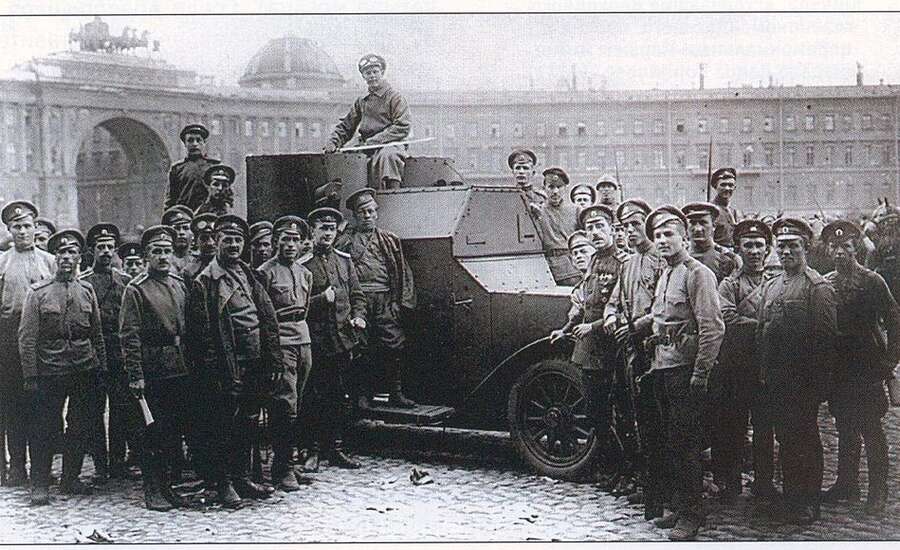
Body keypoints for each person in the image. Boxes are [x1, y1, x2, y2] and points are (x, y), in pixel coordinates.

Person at [187, 214, 282, 508]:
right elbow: (202, 335)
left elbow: (266, 316)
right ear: (215, 241)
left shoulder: (248, 273)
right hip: (227, 364)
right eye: (227, 239)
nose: (233, 245)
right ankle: (224, 482)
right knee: (222, 425)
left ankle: (241, 477)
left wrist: (273, 358)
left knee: (248, 422)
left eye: (238, 240)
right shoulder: (205, 282)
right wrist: (215, 371)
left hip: (254, 361)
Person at [643, 205, 725, 540]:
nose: (662, 241)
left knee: (687, 444)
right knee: (671, 442)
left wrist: (701, 373)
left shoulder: (697, 274)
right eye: (657, 236)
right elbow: (661, 319)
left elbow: (712, 327)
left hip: (686, 370)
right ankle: (680, 505)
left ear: (683, 237)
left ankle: (692, 514)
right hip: (663, 365)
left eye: (668, 234)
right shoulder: (665, 273)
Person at [757, 217, 837, 524]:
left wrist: (819, 386)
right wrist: (763, 374)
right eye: (781, 246)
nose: (786, 252)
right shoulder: (773, 285)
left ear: (805, 247)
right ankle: (791, 498)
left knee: (805, 439)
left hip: (803, 382)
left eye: (793, 245)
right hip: (775, 379)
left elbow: (825, 341)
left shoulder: (818, 288)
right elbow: (763, 332)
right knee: (786, 440)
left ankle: (808, 501)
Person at [19, 229, 107, 505]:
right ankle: (40, 484)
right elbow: (27, 337)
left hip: (83, 368)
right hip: (50, 370)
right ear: (54, 257)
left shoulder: (87, 290)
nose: (66, 257)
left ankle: (71, 478)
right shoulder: (38, 293)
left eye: (72, 252)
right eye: (61, 252)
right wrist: (31, 375)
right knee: (44, 428)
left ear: (80, 257)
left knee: (79, 426)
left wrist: (100, 368)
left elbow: (97, 334)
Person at [820, 220, 898, 514]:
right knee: (844, 426)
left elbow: (893, 319)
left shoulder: (872, 281)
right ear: (828, 250)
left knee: (871, 429)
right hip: (839, 367)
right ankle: (846, 484)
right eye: (834, 247)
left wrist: (891, 360)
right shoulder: (826, 283)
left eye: (846, 247)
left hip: (867, 366)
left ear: (855, 248)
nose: (840, 252)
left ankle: (878, 490)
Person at [119, 225, 192, 511]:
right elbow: (129, 336)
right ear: (147, 255)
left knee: (172, 431)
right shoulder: (136, 289)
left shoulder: (178, 283)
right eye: (157, 251)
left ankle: (168, 488)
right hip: (153, 369)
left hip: (179, 366)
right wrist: (135, 375)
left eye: (167, 251)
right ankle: (153, 490)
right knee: (152, 432)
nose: (163, 257)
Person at [602, 198, 667, 519]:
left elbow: (663, 306)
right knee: (635, 419)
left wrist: (635, 327)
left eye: (635, 224)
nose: (629, 231)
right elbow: (614, 301)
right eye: (624, 226)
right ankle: (646, 486)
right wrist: (612, 318)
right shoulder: (627, 264)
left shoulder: (661, 261)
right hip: (630, 352)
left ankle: (662, 492)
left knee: (657, 423)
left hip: (655, 351)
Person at [335, 188, 417, 409]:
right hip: (358, 302)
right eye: (363, 212)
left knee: (393, 345)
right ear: (355, 215)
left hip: (385, 300)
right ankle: (362, 395)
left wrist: (401, 303)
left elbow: (404, 273)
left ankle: (396, 393)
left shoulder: (389, 240)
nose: (368, 215)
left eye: (372, 211)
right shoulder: (345, 242)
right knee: (360, 348)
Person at [712, 219, 774, 502]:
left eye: (759, 245)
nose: (753, 250)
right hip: (737, 365)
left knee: (764, 426)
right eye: (747, 245)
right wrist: (765, 324)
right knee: (732, 426)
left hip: (767, 366)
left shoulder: (776, 281)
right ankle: (731, 482)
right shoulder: (729, 285)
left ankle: (764, 482)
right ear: (738, 249)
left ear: (768, 249)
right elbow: (726, 317)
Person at [302, 207, 367, 471]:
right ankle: (312, 450)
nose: (327, 233)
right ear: (313, 231)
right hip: (317, 342)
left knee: (339, 396)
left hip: (342, 340)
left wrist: (359, 316)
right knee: (314, 397)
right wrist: (321, 300)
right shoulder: (302, 265)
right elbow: (297, 305)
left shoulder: (344, 260)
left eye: (331, 229)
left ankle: (335, 447)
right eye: (322, 228)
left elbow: (357, 295)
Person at [568, 205, 624, 487]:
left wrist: (594, 326)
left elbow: (621, 308)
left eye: (600, 226)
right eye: (590, 228)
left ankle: (620, 471)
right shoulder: (592, 263)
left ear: (612, 229)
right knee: (595, 411)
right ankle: (608, 467)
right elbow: (586, 299)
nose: (595, 232)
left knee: (615, 413)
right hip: (589, 348)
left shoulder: (621, 262)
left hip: (610, 347)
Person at [0, 200, 55, 487]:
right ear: (9, 230)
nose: (22, 231)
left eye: (27, 226)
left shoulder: (49, 261)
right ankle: (17, 467)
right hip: (9, 342)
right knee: (14, 407)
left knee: (42, 407)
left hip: (43, 342)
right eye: (16, 227)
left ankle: (41, 469)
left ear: (35, 227)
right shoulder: (2, 262)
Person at [257, 216, 314, 492]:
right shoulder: (265, 273)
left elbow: (306, 310)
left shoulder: (305, 274)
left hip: (303, 340)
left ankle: (290, 462)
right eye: (285, 239)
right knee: (284, 407)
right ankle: (282, 469)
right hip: (281, 341)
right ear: (276, 241)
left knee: (298, 404)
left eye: (295, 240)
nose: (290, 245)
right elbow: (263, 315)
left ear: (303, 243)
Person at [78, 223, 129, 483]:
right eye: (101, 247)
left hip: (119, 354)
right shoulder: (82, 282)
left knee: (120, 409)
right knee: (94, 410)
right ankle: (100, 463)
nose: (106, 252)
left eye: (110, 247)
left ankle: (118, 460)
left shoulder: (126, 282)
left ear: (116, 250)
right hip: (95, 353)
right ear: (92, 251)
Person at [323, 54, 411, 189]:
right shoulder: (362, 101)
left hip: (392, 143)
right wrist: (333, 141)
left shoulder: (395, 97)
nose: (372, 76)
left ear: (382, 72)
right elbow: (346, 125)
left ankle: (392, 194)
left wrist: (373, 142)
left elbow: (402, 126)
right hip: (365, 145)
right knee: (345, 158)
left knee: (388, 157)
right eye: (368, 73)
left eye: (375, 72)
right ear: (363, 76)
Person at [530, 167, 581, 286]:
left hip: (571, 269)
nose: (555, 191)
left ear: (565, 189)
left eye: (559, 187)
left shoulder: (575, 210)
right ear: (544, 188)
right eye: (551, 187)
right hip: (546, 268)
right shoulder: (538, 211)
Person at [164, 124, 221, 212]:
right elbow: (170, 200)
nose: (195, 144)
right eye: (190, 140)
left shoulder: (214, 166)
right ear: (185, 144)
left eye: (199, 140)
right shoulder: (177, 169)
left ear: (204, 143)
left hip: (210, 216)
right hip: (185, 217)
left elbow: (225, 196)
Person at [682, 202, 739, 283]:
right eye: (693, 223)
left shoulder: (727, 259)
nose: (698, 229)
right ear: (686, 227)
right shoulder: (679, 257)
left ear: (714, 226)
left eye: (703, 223)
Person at [709, 168, 742, 248]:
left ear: (734, 187)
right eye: (723, 185)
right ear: (715, 186)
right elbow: (707, 241)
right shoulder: (710, 210)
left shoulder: (735, 212)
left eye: (730, 185)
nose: (727, 188)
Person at [181, 212, 218, 284]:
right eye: (204, 239)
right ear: (195, 241)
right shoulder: (189, 272)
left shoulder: (232, 267)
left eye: (214, 237)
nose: (210, 243)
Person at [161, 205, 194, 276]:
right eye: (177, 228)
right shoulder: (161, 260)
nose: (181, 232)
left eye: (186, 228)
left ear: (193, 233)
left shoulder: (198, 260)